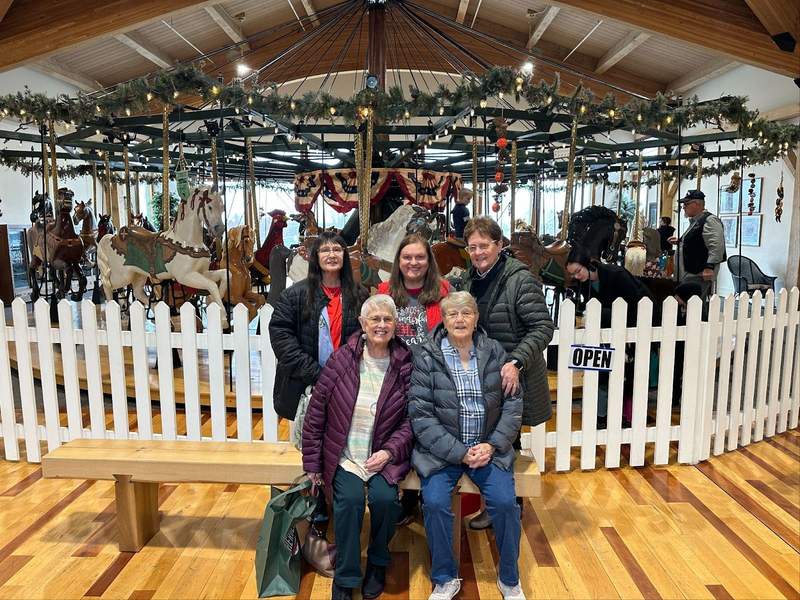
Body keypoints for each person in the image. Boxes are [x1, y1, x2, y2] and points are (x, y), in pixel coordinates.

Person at [409, 291, 525, 600]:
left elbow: (513, 406)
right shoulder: (427, 356)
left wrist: (492, 445)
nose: (459, 319)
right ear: (443, 321)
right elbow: (420, 415)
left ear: (476, 318)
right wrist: (460, 452)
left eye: (466, 313)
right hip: (442, 453)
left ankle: (510, 579)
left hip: (488, 450)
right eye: (452, 315)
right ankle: (445, 578)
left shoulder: (495, 352)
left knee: (504, 504)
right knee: (433, 503)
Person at [302, 295, 414, 600]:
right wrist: (312, 465)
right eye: (374, 319)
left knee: (385, 501)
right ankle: (347, 576)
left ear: (395, 325)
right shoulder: (342, 360)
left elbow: (412, 420)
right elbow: (316, 414)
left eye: (387, 319)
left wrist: (390, 452)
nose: (381, 325)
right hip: (346, 455)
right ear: (363, 324)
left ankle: (378, 562)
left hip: (384, 457)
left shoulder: (405, 364)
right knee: (349, 503)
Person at [459, 216, 554, 530]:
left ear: (499, 245)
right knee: (492, 442)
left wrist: (516, 361)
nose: (478, 252)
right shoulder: (472, 280)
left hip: (515, 375)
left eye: (484, 245)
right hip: (486, 378)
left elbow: (542, 327)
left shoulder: (519, 280)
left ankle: (508, 511)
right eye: (472, 247)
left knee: (506, 443)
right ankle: (499, 506)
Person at [376, 232, 450, 525]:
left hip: (430, 377)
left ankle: (426, 495)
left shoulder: (443, 290)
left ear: (428, 261)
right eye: (407, 257)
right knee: (397, 436)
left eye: (420, 257)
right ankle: (404, 497)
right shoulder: (384, 290)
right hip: (395, 376)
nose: (413, 262)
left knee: (426, 435)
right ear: (399, 261)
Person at [269, 230, 367, 421]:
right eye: (325, 250)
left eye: (337, 249)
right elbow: (281, 337)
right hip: (305, 384)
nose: (332, 254)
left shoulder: (359, 295)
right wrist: (315, 373)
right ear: (316, 257)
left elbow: (365, 337)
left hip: (346, 383)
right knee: (309, 444)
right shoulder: (294, 295)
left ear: (344, 256)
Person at [565, 245, 654, 428]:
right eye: (572, 274)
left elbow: (635, 304)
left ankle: (625, 414)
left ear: (589, 265)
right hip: (607, 333)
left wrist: (601, 315)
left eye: (577, 271)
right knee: (603, 374)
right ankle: (602, 415)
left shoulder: (617, 275)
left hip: (633, 330)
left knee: (627, 376)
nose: (575, 277)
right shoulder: (584, 284)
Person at [668, 190, 725, 299]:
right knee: (689, 305)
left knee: (693, 304)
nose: (684, 207)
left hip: (698, 273)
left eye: (686, 204)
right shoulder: (696, 221)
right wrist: (680, 241)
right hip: (690, 272)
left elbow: (717, 246)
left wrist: (709, 267)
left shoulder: (709, 220)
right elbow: (698, 241)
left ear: (697, 204)